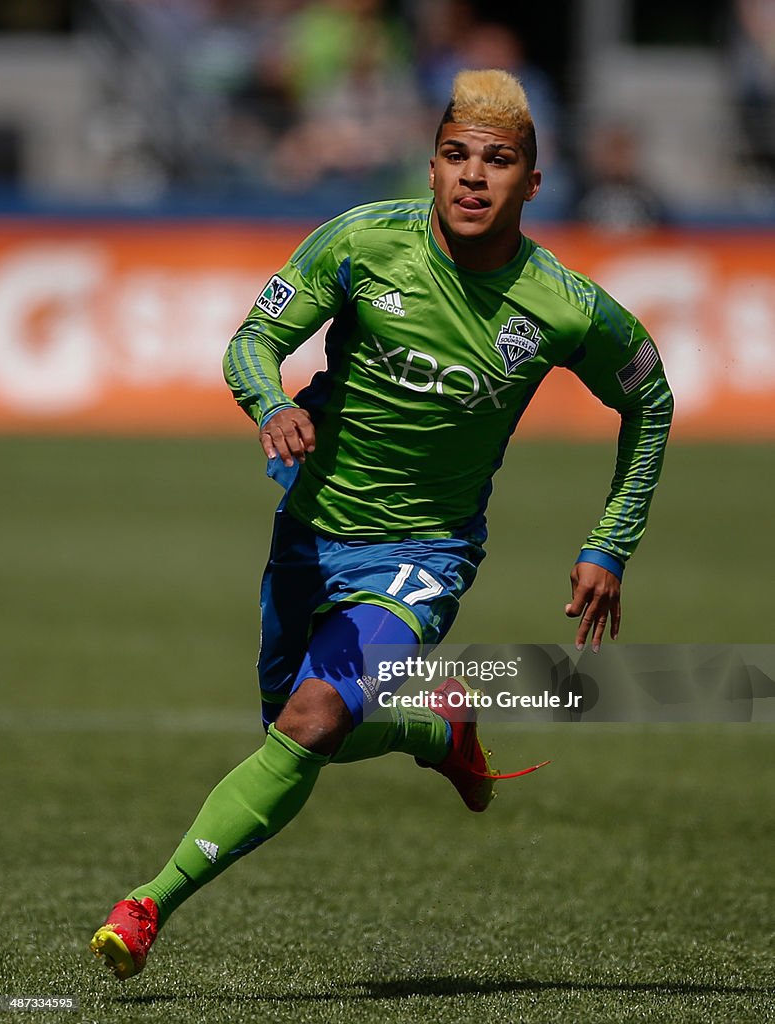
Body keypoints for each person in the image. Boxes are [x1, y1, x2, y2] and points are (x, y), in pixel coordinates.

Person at [90, 68, 673, 980]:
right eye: (455, 156)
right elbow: (253, 339)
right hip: (310, 531)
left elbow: (652, 398)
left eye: (498, 161)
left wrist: (612, 541)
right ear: (431, 165)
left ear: (532, 182)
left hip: (423, 555)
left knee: (313, 722)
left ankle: (147, 903)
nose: (473, 177)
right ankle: (435, 730)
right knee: (294, 723)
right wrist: (267, 401)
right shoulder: (361, 241)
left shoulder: (566, 307)